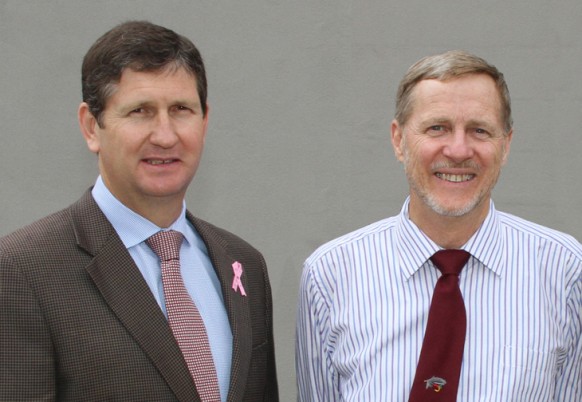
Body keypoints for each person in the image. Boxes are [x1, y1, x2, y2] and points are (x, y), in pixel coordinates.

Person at [0, 21, 278, 402]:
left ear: (205, 120)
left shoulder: (244, 265)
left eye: (181, 109)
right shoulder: (23, 271)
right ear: (91, 127)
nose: (165, 135)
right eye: (140, 112)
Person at [296, 50, 581, 401]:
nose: (459, 150)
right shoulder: (330, 275)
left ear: (505, 145)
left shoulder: (567, 271)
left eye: (479, 130)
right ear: (399, 141)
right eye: (437, 128)